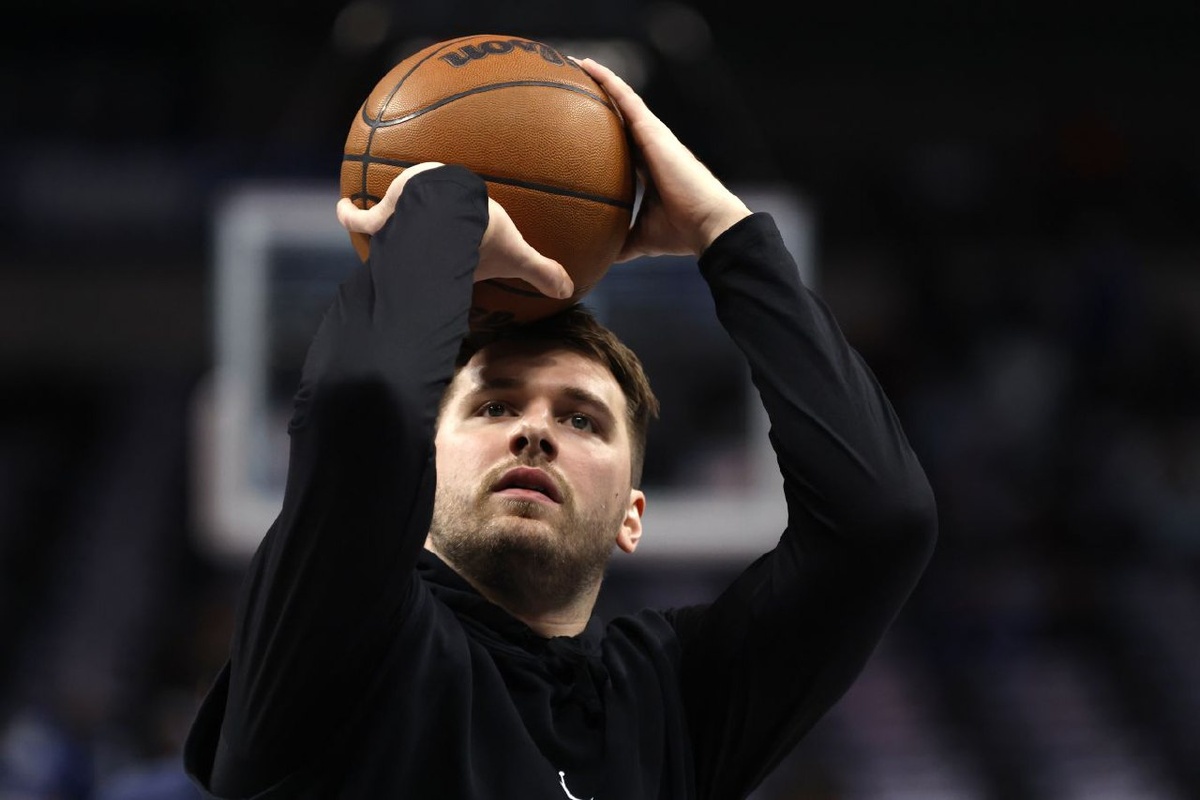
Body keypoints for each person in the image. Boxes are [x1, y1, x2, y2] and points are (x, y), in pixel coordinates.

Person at [183, 56, 937, 799]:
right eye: (494, 406)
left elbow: (880, 522)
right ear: (422, 469)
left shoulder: (670, 700)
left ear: (633, 515)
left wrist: (724, 232)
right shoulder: (343, 640)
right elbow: (364, 406)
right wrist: (446, 205)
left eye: (582, 419)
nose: (534, 432)